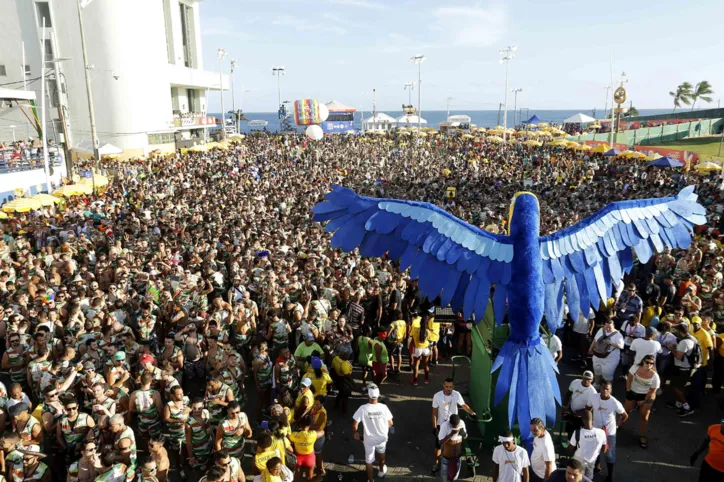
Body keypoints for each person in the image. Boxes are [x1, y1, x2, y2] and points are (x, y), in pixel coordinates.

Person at [431, 378, 476, 474]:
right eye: (447, 386)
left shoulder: (456, 394)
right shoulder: (437, 396)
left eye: (450, 387)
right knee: (438, 445)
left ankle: (458, 460)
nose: (448, 388)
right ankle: (436, 463)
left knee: (460, 441)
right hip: (442, 424)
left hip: (455, 423)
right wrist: (434, 427)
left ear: (453, 387)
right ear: (443, 386)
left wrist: (472, 413)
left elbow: (463, 405)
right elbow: (434, 413)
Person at [586, 381, 627, 481]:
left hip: (609, 433)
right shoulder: (594, 397)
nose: (605, 390)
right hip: (596, 429)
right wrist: (589, 422)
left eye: (607, 389)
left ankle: (610, 476)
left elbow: (625, 415)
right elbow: (588, 408)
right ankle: (597, 468)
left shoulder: (614, 402)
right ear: (600, 388)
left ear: (611, 390)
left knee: (609, 454)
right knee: (596, 450)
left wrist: (617, 425)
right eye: (603, 388)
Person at [352, 385, 394, 482]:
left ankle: (370, 480)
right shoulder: (384, 407)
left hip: (369, 439)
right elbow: (390, 423)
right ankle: (381, 471)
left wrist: (356, 432)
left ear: (368, 396)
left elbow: (355, 424)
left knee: (369, 460)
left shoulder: (363, 408)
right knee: (382, 452)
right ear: (378, 395)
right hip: (382, 437)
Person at [625, 354, 659, 449]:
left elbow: (652, 391)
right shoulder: (635, 367)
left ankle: (642, 436)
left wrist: (644, 401)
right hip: (633, 392)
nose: (649, 365)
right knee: (627, 410)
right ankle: (618, 425)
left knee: (644, 417)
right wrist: (628, 391)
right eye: (647, 362)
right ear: (643, 361)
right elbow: (629, 378)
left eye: (651, 363)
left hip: (646, 395)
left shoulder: (655, 377)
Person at [667, 323, 700, 417]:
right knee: (679, 386)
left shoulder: (684, 342)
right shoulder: (692, 338)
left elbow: (678, 356)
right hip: (689, 367)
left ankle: (687, 407)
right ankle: (678, 404)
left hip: (683, 369)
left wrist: (671, 349)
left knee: (675, 387)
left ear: (680, 332)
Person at [568, 410, 606, 480]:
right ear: (593, 419)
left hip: (577, 463)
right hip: (591, 463)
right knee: (588, 479)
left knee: (575, 479)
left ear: (582, 420)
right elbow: (604, 450)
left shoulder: (577, 432)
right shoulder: (601, 432)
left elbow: (570, 449)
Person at [588, 318, 624, 387]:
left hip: (610, 359)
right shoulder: (601, 330)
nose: (607, 329)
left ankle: (607, 388)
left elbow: (621, 346)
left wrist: (610, 343)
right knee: (597, 370)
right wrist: (590, 348)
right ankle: (597, 384)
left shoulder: (618, 334)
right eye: (606, 327)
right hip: (597, 355)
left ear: (614, 326)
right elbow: (595, 340)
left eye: (609, 327)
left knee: (607, 374)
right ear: (604, 325)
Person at [288, 415, 324, 482]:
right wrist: (312, 428)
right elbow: (322, 432)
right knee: (309, 478)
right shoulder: (313, 434)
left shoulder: (295, 435)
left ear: (300, 424)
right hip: (310, 457)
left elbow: (288, 436)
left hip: (298, 457)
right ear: (310, 424)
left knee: (297, 478)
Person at [562, 371, 596, 436]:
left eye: (589, 379)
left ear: (592, 380)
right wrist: (564, 406)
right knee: (569, 429)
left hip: (581, 414)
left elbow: (591, 408)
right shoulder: (575, 382)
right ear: (582, 377)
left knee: (578, 432)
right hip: (571, 410)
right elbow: (568, 394)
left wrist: (580, 413)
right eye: (585, 378)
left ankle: (576, 445)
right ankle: (569, 442)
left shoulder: (593, 392)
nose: (587, 381)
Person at [438, 414, 467, 482]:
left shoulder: (462, 423)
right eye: (454, 426)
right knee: (444, 478)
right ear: (450, 424)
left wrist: (464, 434)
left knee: (454, 477)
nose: (456, 427)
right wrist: (451, 434)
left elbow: (465, 436)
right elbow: (440, 442)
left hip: (457, 458)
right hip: (446, 458)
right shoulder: (444, 426)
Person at [410, 307, 434, 386]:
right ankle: (426, 379)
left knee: (416, 364)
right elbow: (430, 340)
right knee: (425, 364)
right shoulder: (427, 331)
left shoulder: (415, 330)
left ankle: (415, 380)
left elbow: (412, 338)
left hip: (417, 349)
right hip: (426, 349)